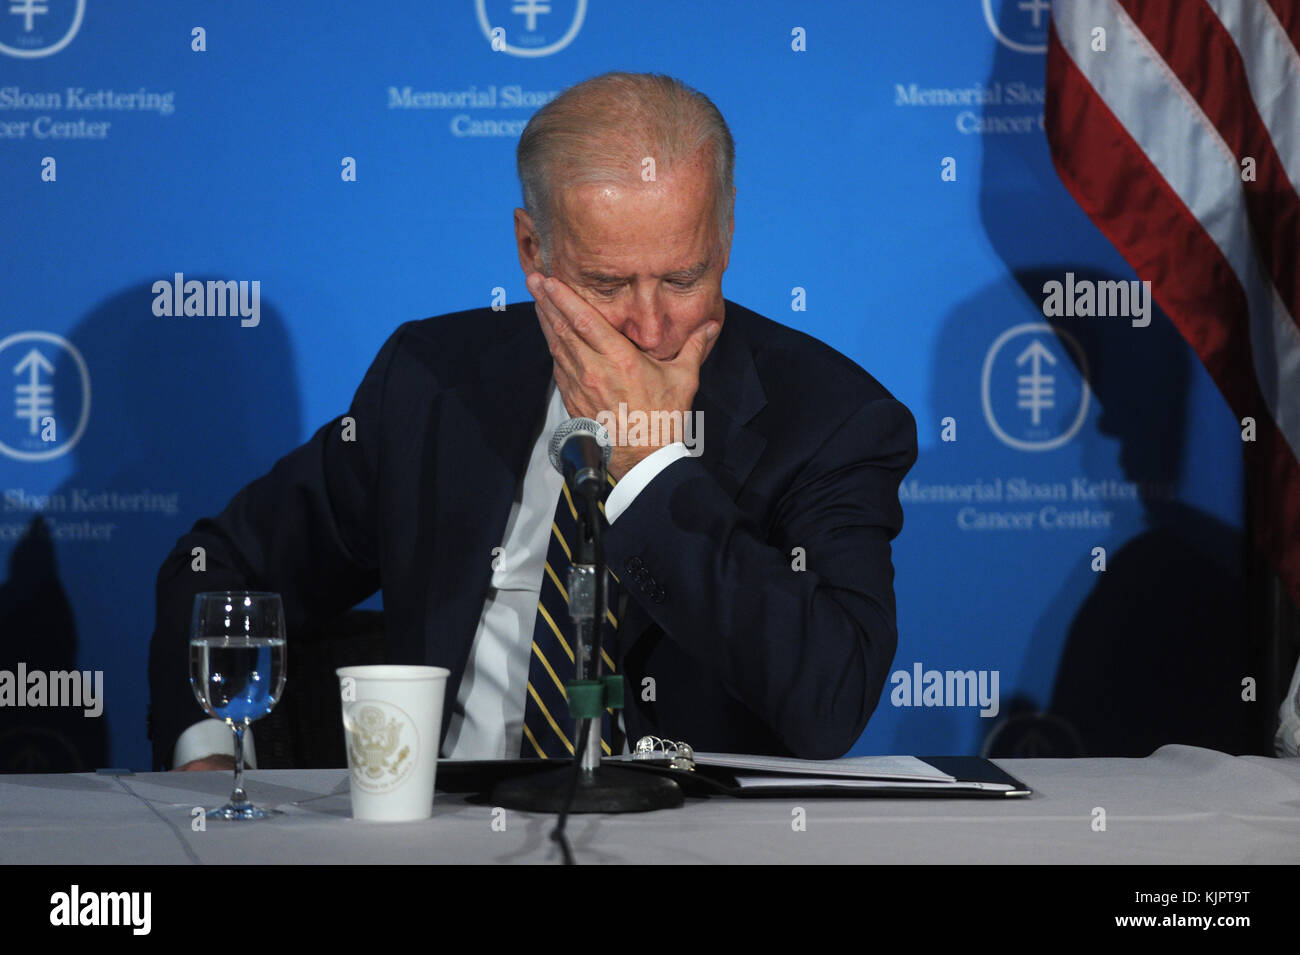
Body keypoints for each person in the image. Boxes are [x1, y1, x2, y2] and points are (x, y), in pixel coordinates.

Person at [148, 71, 918, 771]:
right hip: (442, 835)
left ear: (724, 236)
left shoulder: (830, 419)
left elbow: (831, 698)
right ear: (531, 248)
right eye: (607, 284)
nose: (651, 328)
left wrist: (651, 470)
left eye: (684, 277)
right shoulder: (433, 382)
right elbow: (221, 569)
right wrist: (206, 752)